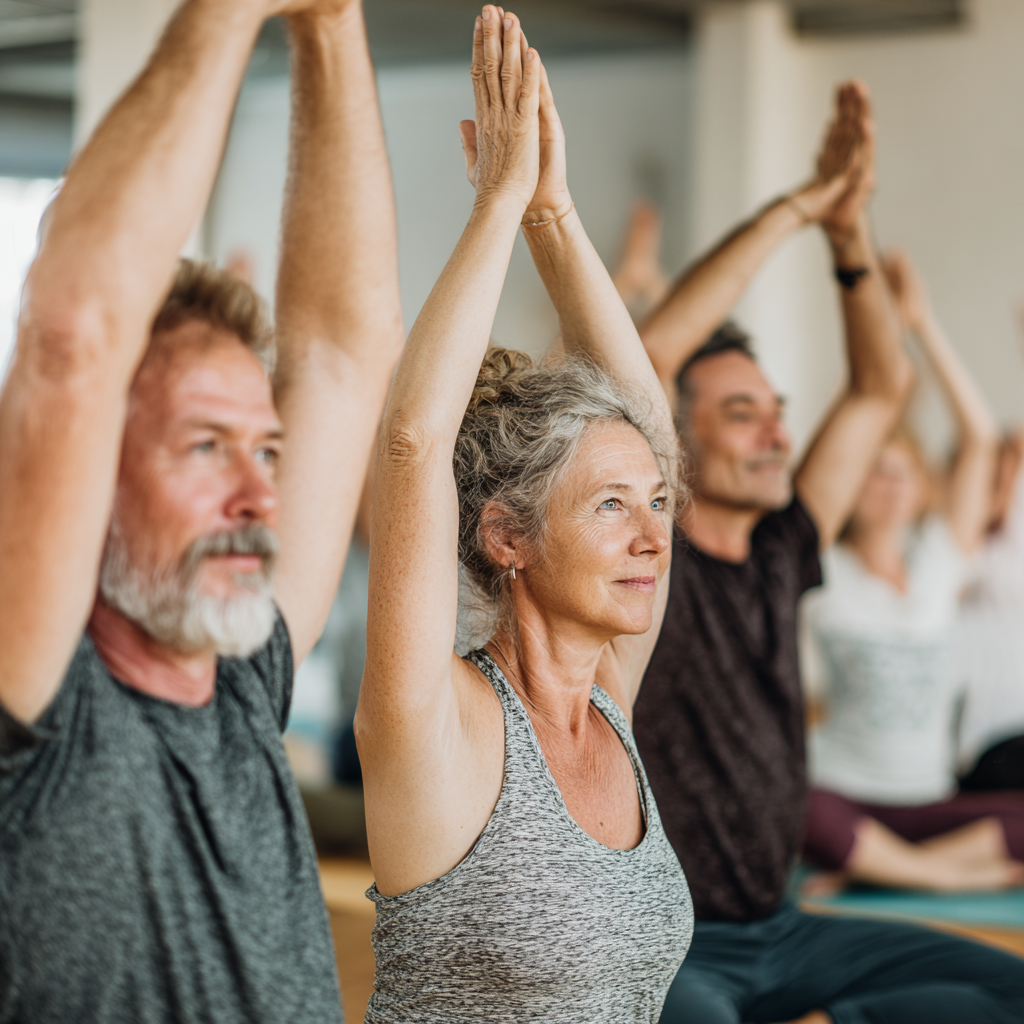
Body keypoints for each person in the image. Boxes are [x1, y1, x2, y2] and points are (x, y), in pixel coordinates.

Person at [0, 0, 403, 1019]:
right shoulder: (41, 701)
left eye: (266, 447)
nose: (259, 493)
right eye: (203, 446)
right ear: (95, 472)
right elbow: (78, 330)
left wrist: (330, 21)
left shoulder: (241, 676)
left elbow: (344, 355)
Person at [631, 81, 1024, 1024]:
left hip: (787, 921)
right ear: (673, 442)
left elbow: (882, 384)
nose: (775, 435)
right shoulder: (647, 555)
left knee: (1006, 989)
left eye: (778, 413)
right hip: (672, 942)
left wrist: (848, 234)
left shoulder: (783, 543)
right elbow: (642, 357)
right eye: (740, 415)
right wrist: (792, 210)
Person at [356, 9, 692, 1021]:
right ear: (507, 536)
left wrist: (555, 214)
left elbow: (654, 431)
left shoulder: (610, 701)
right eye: (608, 505)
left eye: (655, 505)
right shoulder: (437, 723)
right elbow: (413, 444)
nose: (652, 534)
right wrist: (498, 204)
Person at [802, 249, 1024, 892]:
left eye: (904, 472)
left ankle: (893, 870)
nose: (892, 485)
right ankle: (946, 877)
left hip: (929, 802)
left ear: (923, 485)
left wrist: (923, 327)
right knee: (794, 805)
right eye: (876, 470)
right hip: (844, 794)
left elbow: (981, 438)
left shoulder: (939, 562)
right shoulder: (819, 568)